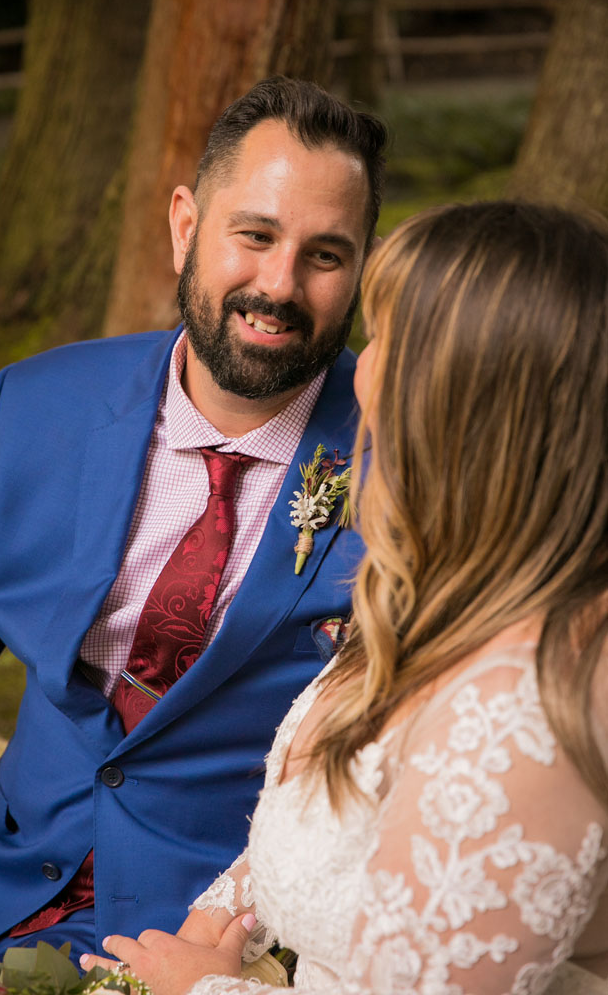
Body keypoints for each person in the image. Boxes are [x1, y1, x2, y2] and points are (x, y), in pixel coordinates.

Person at [82, 200, 608, 995]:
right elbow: (333, 820)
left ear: (464, 402)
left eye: (388, 340)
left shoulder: (518, 708)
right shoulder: (445, 596)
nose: (359, 368)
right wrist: (224, 920)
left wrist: (198, 990)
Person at [0, 77, 388, 987]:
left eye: (325, 255)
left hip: (207, 933)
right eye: (254, 234)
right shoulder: (34, 406)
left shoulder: (406, 462)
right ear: (186, 224)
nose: (278, 284)